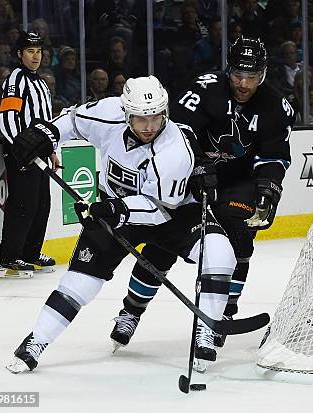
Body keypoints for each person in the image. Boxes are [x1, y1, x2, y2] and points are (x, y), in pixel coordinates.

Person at [5, 75, 236, 373]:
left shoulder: (175, 149)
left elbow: (159, 209)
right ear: (126, 113)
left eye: (156, 117)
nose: (150, 126)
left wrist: (114, 209)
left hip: (171, 214)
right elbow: (72, 120)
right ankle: (36, 341)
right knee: (79, 284)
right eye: (141, 118)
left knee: (220, 253)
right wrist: (47, 133)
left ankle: (206, 326)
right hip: (114, 208)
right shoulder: (108, 113)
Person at [111, 36, 295, 356]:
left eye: (251, 77)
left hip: (240, 181)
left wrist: (268, 188)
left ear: (263, 74)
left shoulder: (276, 106)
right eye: (237, 75)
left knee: (237, 232)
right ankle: (131, 311)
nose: (243, 83)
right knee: (162, 243)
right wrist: (196, 166)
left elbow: (274, 156)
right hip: (191, 174)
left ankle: (222, 310)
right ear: (228, 70)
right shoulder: (206, 87)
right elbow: (178, 129)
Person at [0, 31, 59, 278]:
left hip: (40, 154)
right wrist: (20, 149)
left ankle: (31, 252)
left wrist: (51, 150)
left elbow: (45, 121)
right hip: (21, 154)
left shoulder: (41, 82)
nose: (36, 56)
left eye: (39, 51)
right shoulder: (16, 79)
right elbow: (8, 117)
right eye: (30, 51)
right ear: (19, 54)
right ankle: (9, 258)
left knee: (42, 203)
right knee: (23, 204)